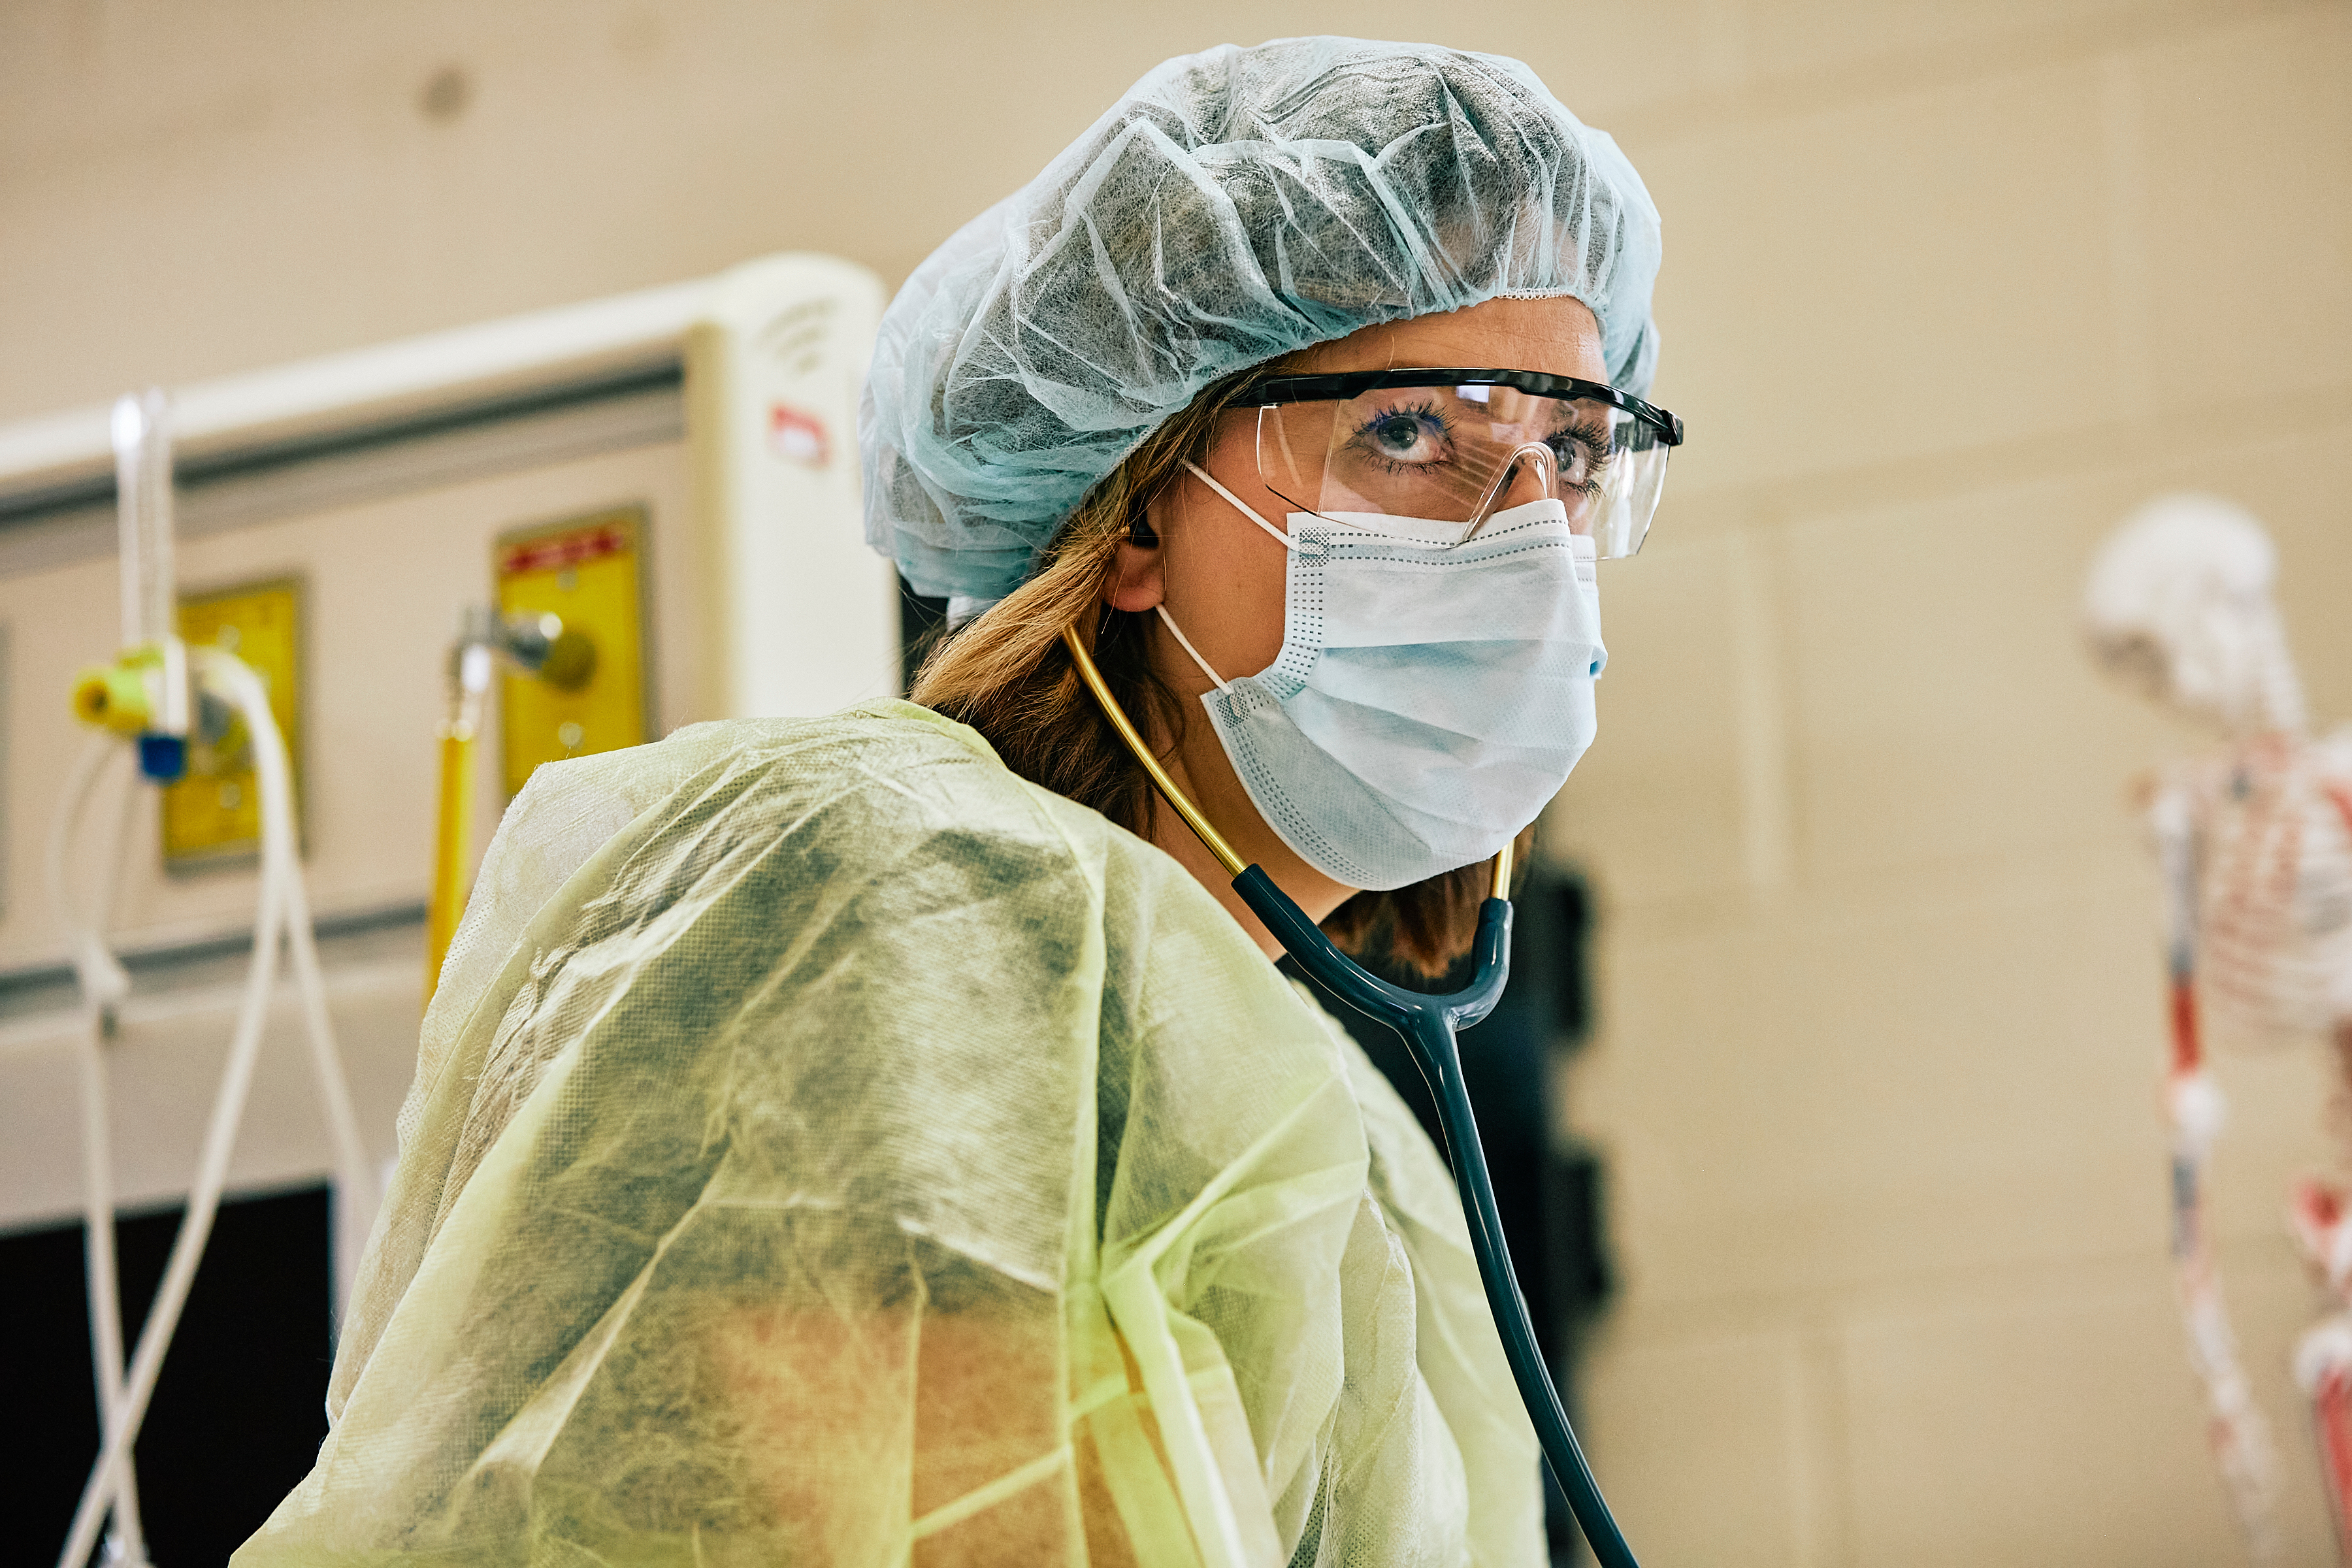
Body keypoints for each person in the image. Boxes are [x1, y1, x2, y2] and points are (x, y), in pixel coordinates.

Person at [236, 35, 1670, 1567]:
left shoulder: (1344, 1147)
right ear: (1137, 513)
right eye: (1410, 434)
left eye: (1574, 455)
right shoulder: (892, 889)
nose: (1530, 542)